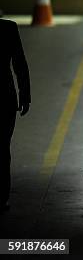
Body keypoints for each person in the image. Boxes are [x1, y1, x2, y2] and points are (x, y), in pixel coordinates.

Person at [0, 19, 30, 211]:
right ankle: (1, 197)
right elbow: (19, 62)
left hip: (4, 98)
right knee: (2, 149)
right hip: (4, 96)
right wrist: (25, 94)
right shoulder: (7, 28)